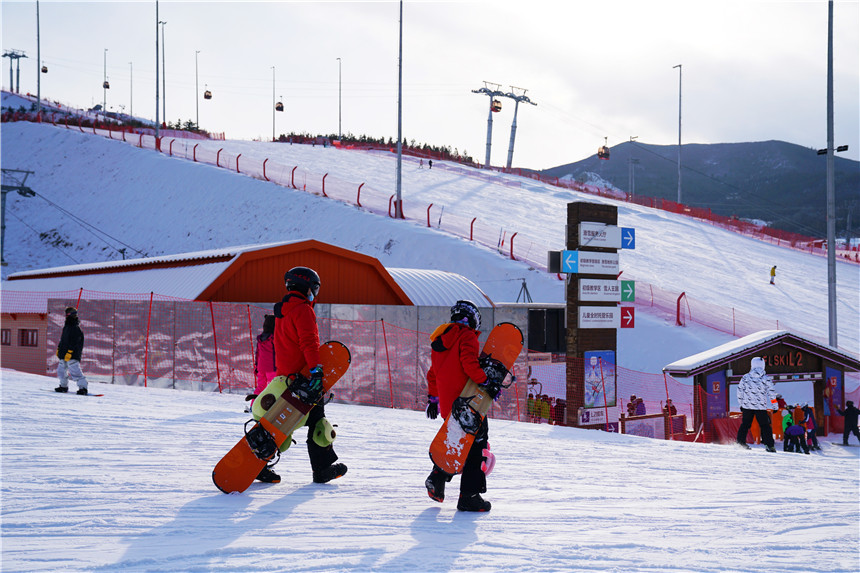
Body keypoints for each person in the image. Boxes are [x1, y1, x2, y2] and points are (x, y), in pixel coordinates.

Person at [261, 266, 347, 485]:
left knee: (277, 424)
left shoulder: (283, 310)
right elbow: (309, 343)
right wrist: (316, 371)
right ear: (308, 287)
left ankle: (258, 464)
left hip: (284, 378)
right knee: (319, 424)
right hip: (304, 378)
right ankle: (322, 470)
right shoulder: (303, 310)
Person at [425, 300, 493, 512]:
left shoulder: (440, 340)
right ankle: (469, 496)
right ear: (473, 320)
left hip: (449, 405)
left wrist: (433, 400)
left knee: (455, 441)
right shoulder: (467, 336)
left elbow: (432, 374)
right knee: (476, 444)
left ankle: (437, 479)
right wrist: (485, 381)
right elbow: (468, 363)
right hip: (468, 401)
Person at [735, 356, 778, 452]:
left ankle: (740, 443)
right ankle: (769, 445)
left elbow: (739, 391)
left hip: (747, 406)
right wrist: (775, 406)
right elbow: (772, 393)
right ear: (763, 366)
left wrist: (741, 404)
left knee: (745, 424)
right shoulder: (766, 378)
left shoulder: (745, 377)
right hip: (760, 407)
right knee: (765, 426)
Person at [55, 306, 89, 395]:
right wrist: (59, 348)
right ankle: (63, 386)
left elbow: (75, 342)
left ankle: (83, 388)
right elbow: (62, 339)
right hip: (63, 353)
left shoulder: (76, 328)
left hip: (72, 354)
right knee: (61, 371)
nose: (66, 317)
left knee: (75, 371)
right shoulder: (66, 327)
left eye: (68, 315)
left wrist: (70, 352)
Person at [249, 314, 277, 400]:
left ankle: (253, 405)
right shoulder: (274, 338)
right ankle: (272, 406)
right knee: (274, 387)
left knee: (260, 387)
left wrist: (256, 366)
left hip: (261, 368)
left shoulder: (260, 339)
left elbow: (257, 354)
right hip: (272, 368)